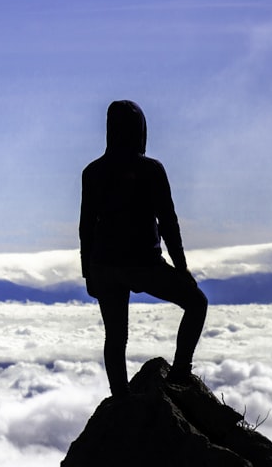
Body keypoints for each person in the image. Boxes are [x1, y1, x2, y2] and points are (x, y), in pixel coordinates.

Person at [79, 100, 208, 397]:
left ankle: (120, 399)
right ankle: (179, 374)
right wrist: (181, 267)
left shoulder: (93, 172)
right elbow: (168, 222)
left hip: (105, 266)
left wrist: (89, 273)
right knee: (197, 303)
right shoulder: (150, 169)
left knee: (115, 336)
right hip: (144, 265)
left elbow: (86, 227)